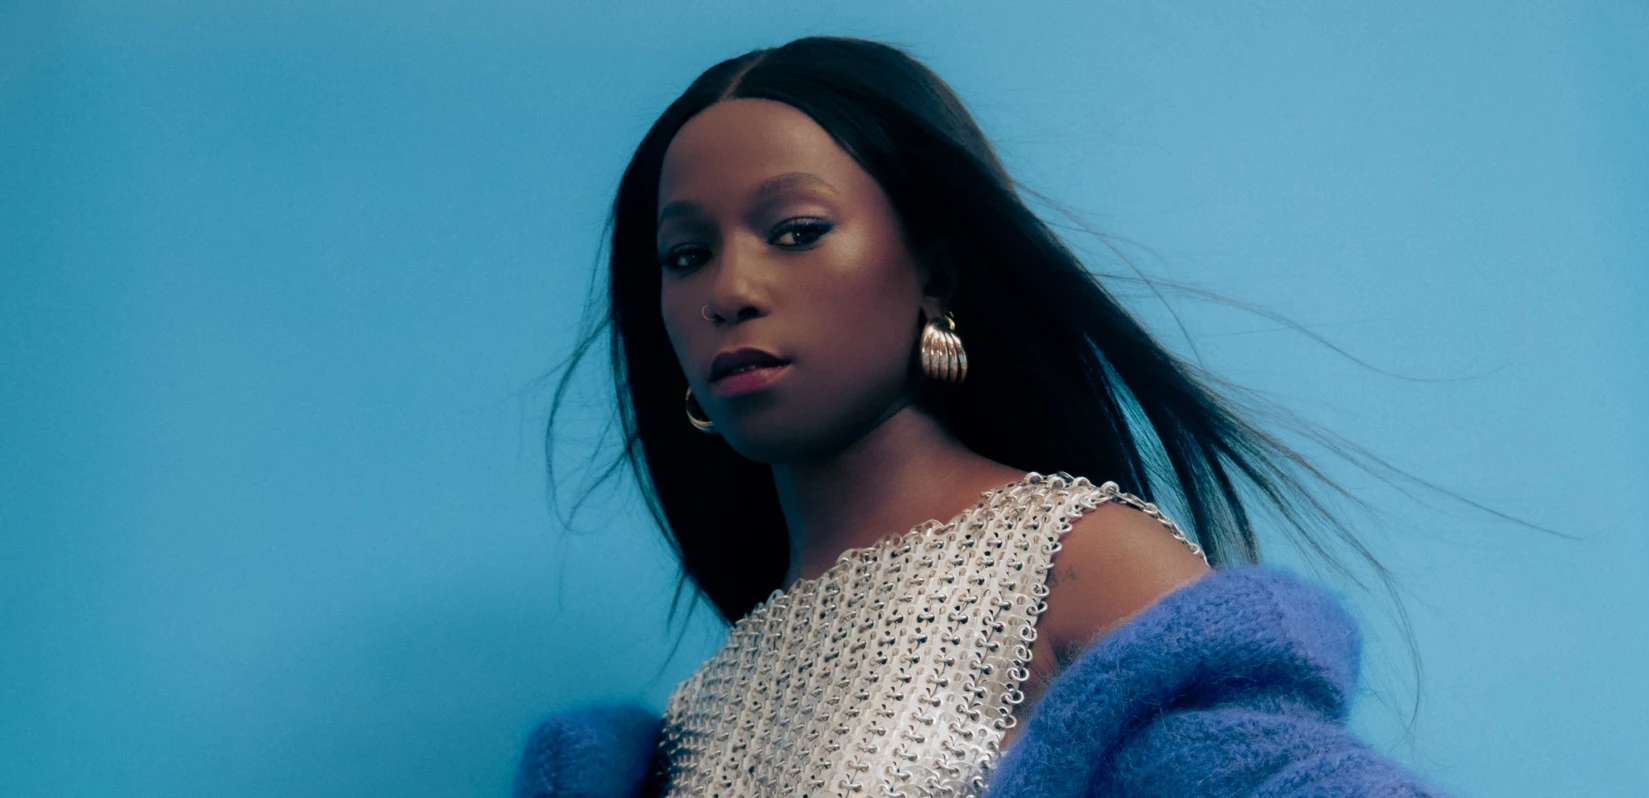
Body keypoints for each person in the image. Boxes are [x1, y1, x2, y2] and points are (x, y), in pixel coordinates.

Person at [518, 35, 1451, 797]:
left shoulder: (1075, 559)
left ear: (935, 276)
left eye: (796, 231)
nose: (730, 290)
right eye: (685, 256)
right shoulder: (700, 711)